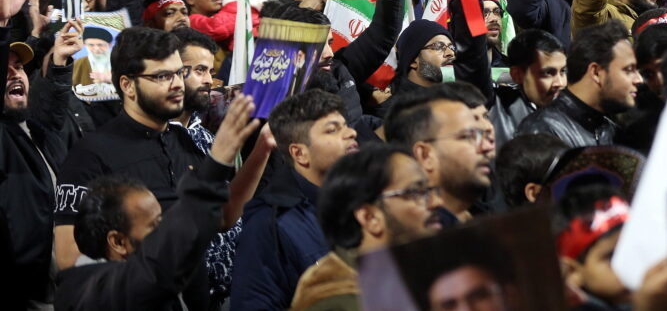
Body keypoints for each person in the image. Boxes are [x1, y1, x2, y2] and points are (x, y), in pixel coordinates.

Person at [53, 94, 259, 311]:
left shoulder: (182, 139)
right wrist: (215, 165)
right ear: (118, 242)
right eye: (154, 226)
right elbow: (156, 269)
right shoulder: (100, 293)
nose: (167, 229)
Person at [231, 89, 359, 309]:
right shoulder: (269, 226)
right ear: (300, 154)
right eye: (332, 130)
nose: (351, 133)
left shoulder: (367, 201)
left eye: (346, 125)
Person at [290, 145, 444, 310]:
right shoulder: (337, 302)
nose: (437, 202)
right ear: (369, 217)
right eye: (416, 192)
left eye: (429, 190)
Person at [1, 21, 82, 308]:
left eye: (19, 67)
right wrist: (3, 22)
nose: (15, 74)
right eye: (4, 69)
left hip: (67, 284)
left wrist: (59, 63)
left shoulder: (35, 129)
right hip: (27, 292)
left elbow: (50, 110)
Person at [384, 85, 497, 225]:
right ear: (425, 155)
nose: (486, 147)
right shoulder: (411, 234)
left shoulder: (487, 217)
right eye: (468, 137)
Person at [518, 20, 641, 148]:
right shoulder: (542, 131)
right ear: (596, 72)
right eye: (629, 70)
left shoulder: (613, 131)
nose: (638, 79)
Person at [489, 29, 567, 147]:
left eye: (562, 71)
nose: (559, 83)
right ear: (517, 75)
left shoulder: (577, 115)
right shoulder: (496, 108)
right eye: (548, 73)